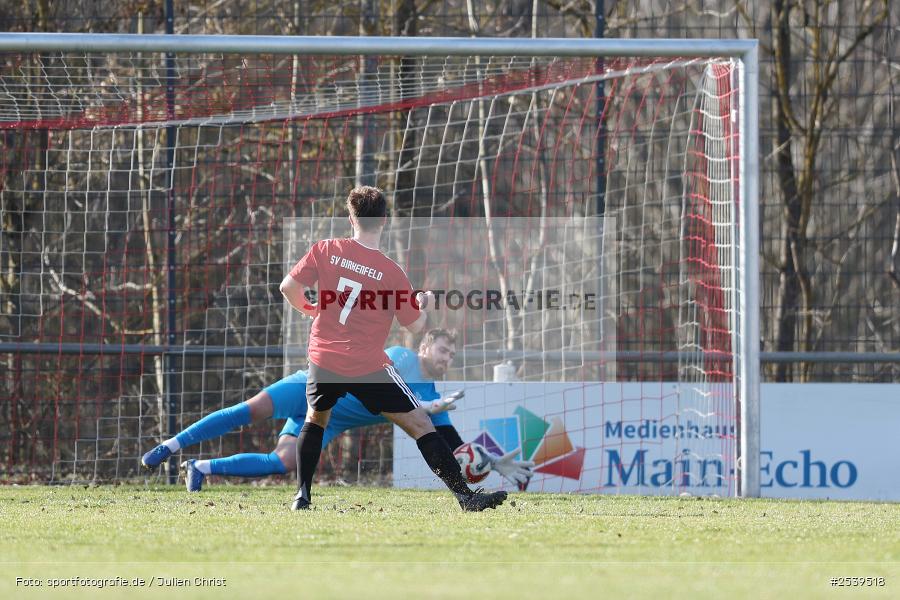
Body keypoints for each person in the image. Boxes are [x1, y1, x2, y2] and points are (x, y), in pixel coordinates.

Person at [281, 185, 508, 511]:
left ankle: (302, 497)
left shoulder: (325, 249)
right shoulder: (391, 272)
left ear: (351, 217)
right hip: (366, 365)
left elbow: (288, 287)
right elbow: (415, 327)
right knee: (420, 424)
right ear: (384, 221)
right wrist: (423, 304)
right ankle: (465, 497)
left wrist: (311, 309)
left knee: (316, 420)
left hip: (325, 356)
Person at [140, 330, 534, 491]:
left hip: (326, 419)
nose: (447, 358)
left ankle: (201, 468)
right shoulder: (401, 356)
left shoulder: (434, 396)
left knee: (284, 462)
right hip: (313, 385)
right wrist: (426, 405)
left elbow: (449, 442)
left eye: (453, 354)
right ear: (425, 348)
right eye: (443, 350)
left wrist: (491, 461)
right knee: (254, 409)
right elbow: (390, 385)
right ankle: (172, 446)